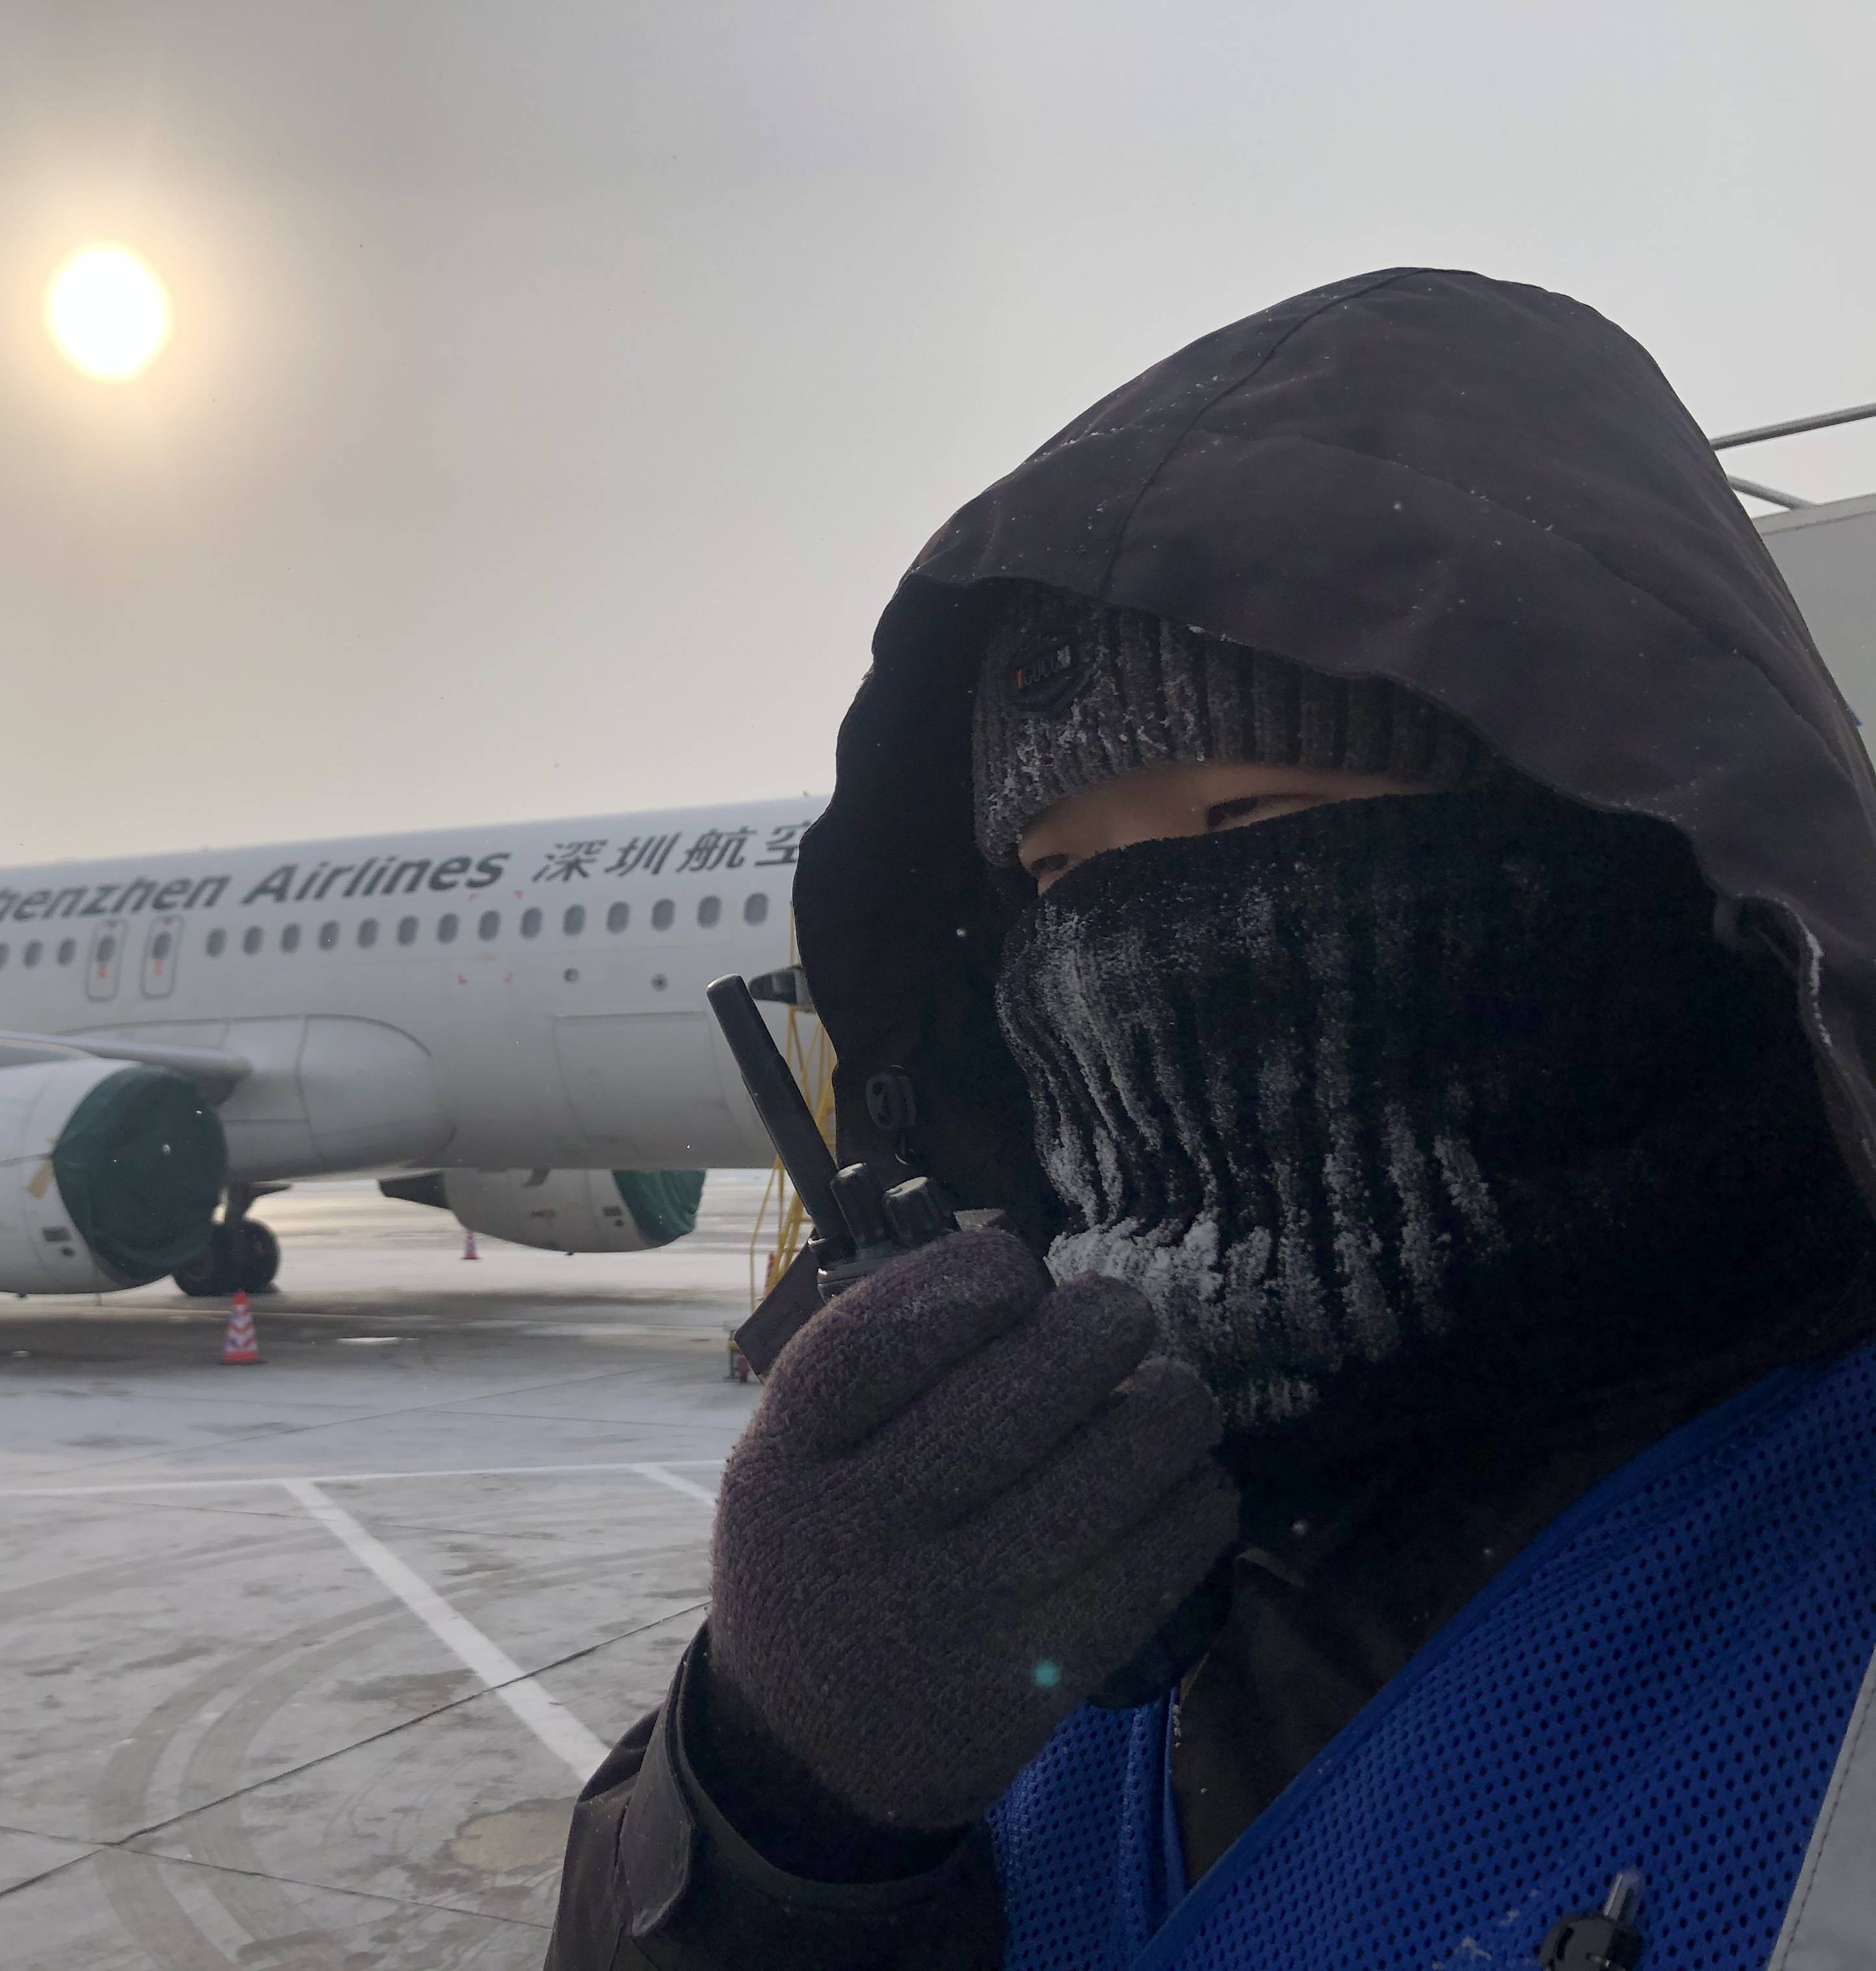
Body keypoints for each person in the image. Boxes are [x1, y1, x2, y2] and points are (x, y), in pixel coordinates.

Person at [546, 269, 1876, 1969]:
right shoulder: (1036, 1541)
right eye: (1059, 877)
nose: (1122, 955)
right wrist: (776, 1816)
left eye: (1253, 815)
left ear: (1609, 839)